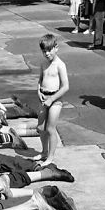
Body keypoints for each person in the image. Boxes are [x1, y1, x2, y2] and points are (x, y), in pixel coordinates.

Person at [35, 33, 69, 167]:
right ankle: (44, 151)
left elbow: (66, 86)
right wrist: (38, 91)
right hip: (44, 97)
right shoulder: (43, 63)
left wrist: (52, 99)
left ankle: (50, 156)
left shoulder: (60, 65)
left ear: (56, 48)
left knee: (50, 128)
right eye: (44, 51)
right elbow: (40, 80)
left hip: (55, 99)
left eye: (49, 50)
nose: (47, 54)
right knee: (41, 128)